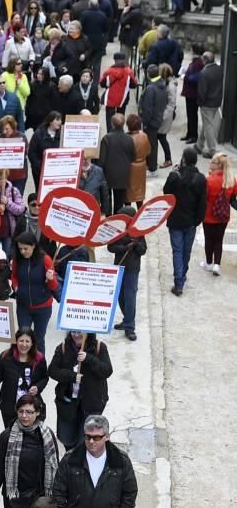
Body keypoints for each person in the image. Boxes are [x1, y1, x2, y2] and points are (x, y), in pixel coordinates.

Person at [0, 393, 60, 508]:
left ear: (38, 413)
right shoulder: (7, 436)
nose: (24, 416)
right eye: (21, 411)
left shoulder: (46, 435)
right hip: (14, 496)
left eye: (29, 412)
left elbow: (55, 467)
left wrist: (58, 499)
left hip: (39, 496)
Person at [52, 414, 138, 508]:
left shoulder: (120, 460)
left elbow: (130, 491)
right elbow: (58, 491)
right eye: (88, 437)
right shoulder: (71, 460)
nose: (91, 441)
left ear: (106, 437)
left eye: (96, 437)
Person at [49, 332, 112, 447]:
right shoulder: (63, 347)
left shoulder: (99, 347)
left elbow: (107, 370)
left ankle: (80, 462)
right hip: (68, 402)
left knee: (85, 440)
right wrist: (71, 376)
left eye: (80, 332)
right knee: (66, 437)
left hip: (92, 403)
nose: (76, 335)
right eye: (73, 332)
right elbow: (52, 370)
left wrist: (89, 358)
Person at [163, 147, 208, 297]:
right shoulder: (200, 179)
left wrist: (172, 174)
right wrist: (198, 220)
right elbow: (203, 203)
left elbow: (166, 193)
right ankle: (182, 274)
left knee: (177, 250)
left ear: (183, 159)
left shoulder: (175, 176)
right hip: (191, 221)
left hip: (176, 220)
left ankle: (179, 282)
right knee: (186, 251)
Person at [8, 232, 58, 357]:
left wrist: (50, 279)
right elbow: (13, 276)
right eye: (20, 249)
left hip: (43, 307)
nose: (23, 251)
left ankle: (39, 366)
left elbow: (54, 286)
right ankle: (23, 364)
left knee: (38, 339)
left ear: (34, 246)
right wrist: (16, 287)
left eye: (26, 248)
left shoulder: (45, 259)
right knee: (23, 338)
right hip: (23, 306)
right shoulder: (17, 260)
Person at [0, 326, 50, 429]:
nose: (24, 344)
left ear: (32, 343)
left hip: (31, 407)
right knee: (11, 434)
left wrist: (37, 387)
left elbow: (44, 378)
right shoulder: (5, 357)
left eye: (27, 341)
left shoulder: (39, 358)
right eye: (21, 341)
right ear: (15, 342)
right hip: (9, 407)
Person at [107, 211, 147, 340]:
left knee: (130, 297)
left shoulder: (139, 231)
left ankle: (130, 327)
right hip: (119, 267)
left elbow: (143, 250)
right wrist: (125, 247)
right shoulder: (118, 230)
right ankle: (127, 319)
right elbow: (111, 247)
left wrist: (136, 244)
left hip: (132, 269)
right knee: (120, 297)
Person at [200, 152, 237, 276]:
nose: (210, 163)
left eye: (212, 161)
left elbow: (203, 198)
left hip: (209, 216)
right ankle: (217, 265)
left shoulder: (209, 180)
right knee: (218, 240)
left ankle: (209, 263)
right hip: (223, 216)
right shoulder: (232, 180)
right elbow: (233, 196)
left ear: (218, 165)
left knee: (209, 240)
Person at [99, 113, 135, 214]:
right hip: (123, 175)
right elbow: (133, 157)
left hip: (108, 175)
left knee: (107, 199)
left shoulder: (106, 139)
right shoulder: (129, 139)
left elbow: (101, 160)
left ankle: (109, 218)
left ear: (112, 124)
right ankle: (118, 218)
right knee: (120, 201)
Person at [195, 53, 223, 159]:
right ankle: (199, 145)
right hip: (216, 102)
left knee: (208, 126)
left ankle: (212, 150)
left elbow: (202, 91)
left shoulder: (204, 73)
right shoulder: (220, 69)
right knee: (208, 123)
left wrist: (200, 103)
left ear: (205, 60)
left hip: (207, 103)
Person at [99, 53, 137, 132]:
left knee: (109, 119)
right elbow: (134, 85)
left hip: (110, 98)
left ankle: (110, 134)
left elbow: (102, 83)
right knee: (120, 117)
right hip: (123, 98)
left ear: (114, 60)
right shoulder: (129, 72)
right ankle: (120, 132)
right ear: (124, 60)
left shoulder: (109, 71)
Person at [27, 110, 61, 191]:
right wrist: (40, 167)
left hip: (57, 172)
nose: (60, 122)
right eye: (57, 120)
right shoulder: (39, 134)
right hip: (40, 172)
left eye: (60, 120)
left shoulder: (62, 134)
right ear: (50, 121)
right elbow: (32, 153)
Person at [125, 113, 150, 208]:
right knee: (140, 193)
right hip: (141, 167)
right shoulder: (144, 136)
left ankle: (128, 215)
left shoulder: (127, 138)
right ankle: (140, 214)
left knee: (128, 195)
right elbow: (148, 151)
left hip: (130, 168)